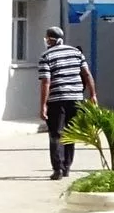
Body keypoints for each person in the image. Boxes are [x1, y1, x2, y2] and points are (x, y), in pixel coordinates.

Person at [38, 26, 97, 181]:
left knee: (56, 134)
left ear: (50, 39)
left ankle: (57, 168)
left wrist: (43, 105)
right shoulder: (77, 53)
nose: (46, 41)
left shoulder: (46, 56)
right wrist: (93, 95)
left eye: (47, 38)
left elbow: (46, 82)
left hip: (57, 100)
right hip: (76, 98)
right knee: (70, 133)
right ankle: (67, 167)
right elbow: (87, 74)